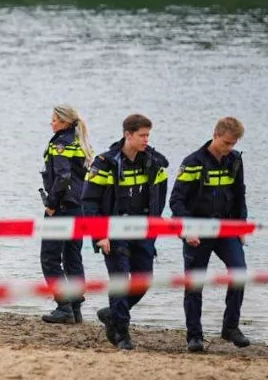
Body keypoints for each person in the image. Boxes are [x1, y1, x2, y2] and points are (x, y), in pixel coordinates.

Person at [81, 113, 168, 351]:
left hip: (143, 231)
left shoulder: (155, 161)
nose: (146, 140)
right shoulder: (105, 162)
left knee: (143, 281)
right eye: (142, 135)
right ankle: (122, 334)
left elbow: (160, 197)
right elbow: (89, 203)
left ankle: (113, 314)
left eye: (148, 135)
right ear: (127, 135)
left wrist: (154, 227)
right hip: (113, 232)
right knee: (120, 281)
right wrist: (100, 235)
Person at [170, 117, 251, 352]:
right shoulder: (192, 162)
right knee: (194, 283)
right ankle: (194, 336)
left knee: (240, 272)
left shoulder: (234, 161)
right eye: (226, 143)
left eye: (233, 144)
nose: (229, 148)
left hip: (225, 229)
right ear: (215, 135)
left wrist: (241, 226)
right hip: (197, 230)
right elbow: (176, 200)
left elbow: (239, 197)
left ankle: (230, 327)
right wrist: (187, 229)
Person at [39, 105, 92, 325]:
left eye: (53, 120)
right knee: (73, 257)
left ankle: (64, 307)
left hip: (61, 208)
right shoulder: (80, 142)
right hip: (79, 207)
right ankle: (76, 308)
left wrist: (51, 204)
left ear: (64, 122)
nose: (51, 123)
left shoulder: (60, 143)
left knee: (50, 259)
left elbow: (63, 176)